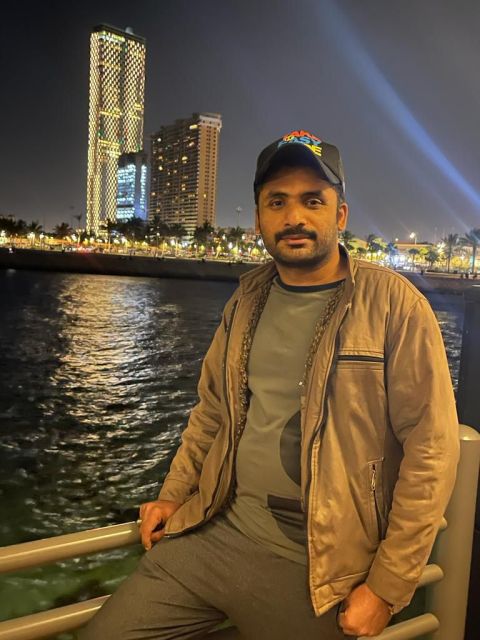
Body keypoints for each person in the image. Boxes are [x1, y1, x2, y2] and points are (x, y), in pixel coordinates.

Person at [78, 130, 459, 639]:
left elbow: (432, 450)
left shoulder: (394, 306)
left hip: (320, 569)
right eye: (277, 202)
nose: (294, 217)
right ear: (258, 219)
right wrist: (174, 495)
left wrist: (387, 588)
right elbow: (211, 413)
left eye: (312, 201)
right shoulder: (246, 300)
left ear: (340, 215)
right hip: (215, 533)